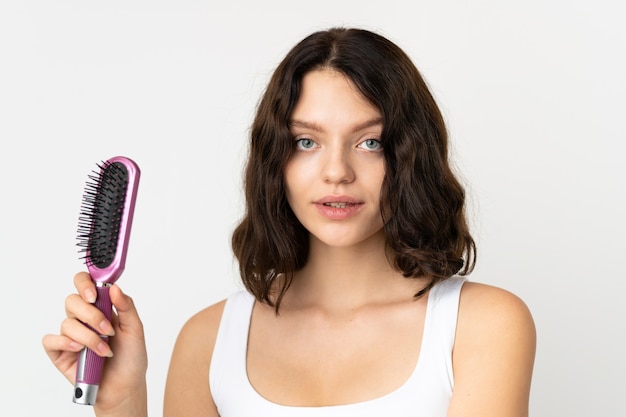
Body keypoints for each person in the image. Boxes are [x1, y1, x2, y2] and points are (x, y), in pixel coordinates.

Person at [43, 27, 536, 417]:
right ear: (275, 160)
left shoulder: (483, 326)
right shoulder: (209, 340)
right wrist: (120, 401)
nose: (337, 172)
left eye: (370, 142)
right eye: (306, 142)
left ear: (411, 156)